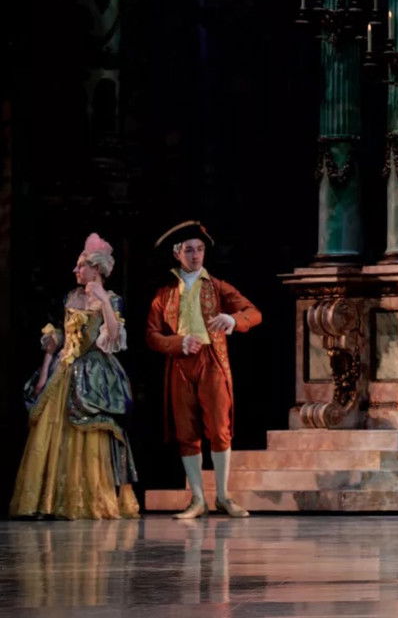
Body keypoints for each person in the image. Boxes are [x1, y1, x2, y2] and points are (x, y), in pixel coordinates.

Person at [10, 233, 139, 519]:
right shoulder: (71, 296)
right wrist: (45, 371)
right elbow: (59, 336)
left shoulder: (112, 300)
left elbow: (114, 338)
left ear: (96, 269)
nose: (75, 270)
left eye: (81, 265)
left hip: (94, 373)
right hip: (63, 369)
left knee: (87, 434)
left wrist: (103, 301)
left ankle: (84, 501)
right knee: (51, 432)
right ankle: (46, 503)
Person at [146, 221, 261, 519]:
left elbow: (253, 313)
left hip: (212, 361)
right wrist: (178, 343)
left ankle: (223, 496)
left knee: (219, 427)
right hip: (181, 364)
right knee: (186, 431)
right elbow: (152, 335)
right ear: (177, 253)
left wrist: (233, 320)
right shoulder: (165, 293)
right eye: (189, 250)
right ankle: (197, 499)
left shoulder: (217, 286)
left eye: (199, 249)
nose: (196, 255)